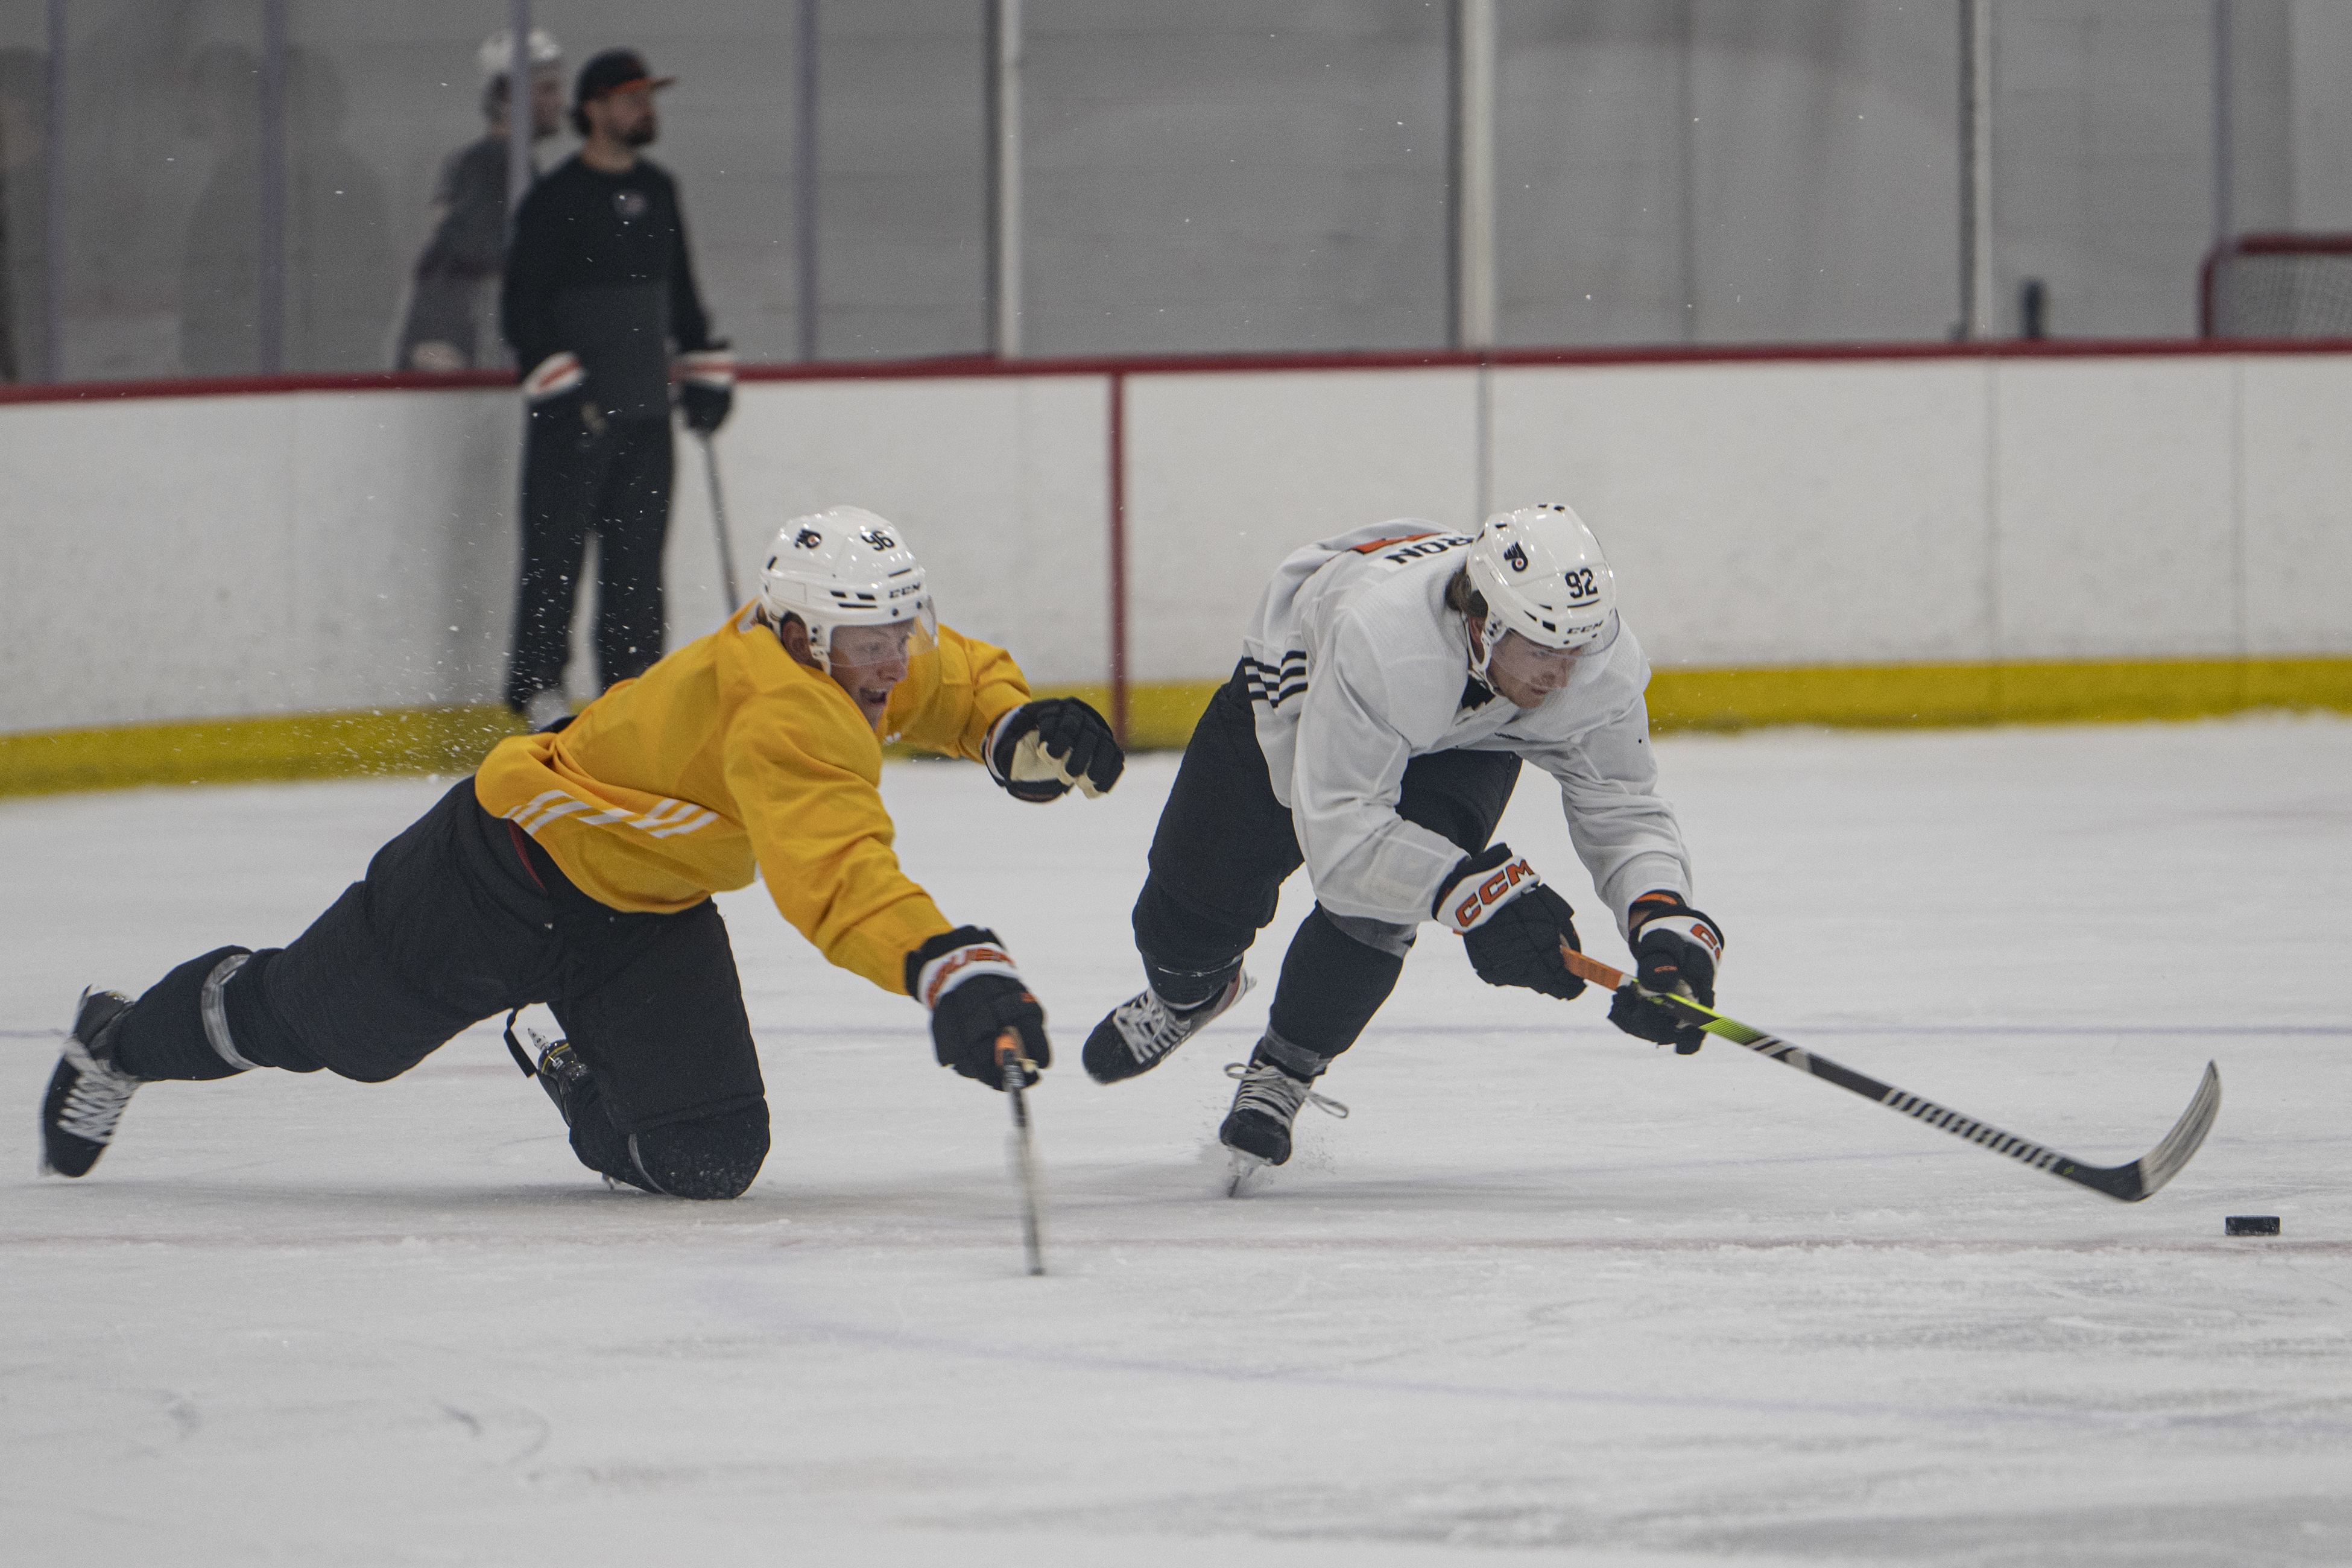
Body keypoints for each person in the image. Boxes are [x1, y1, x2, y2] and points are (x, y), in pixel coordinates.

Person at [39, 508, 1127, 1200]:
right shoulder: (785, 711)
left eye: (899, 634)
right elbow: (835, 875)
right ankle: (122, 1042)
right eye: (867, 645)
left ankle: (563, 1049)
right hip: (495, 877)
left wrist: (1008, 725)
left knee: (705, 1158)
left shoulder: (852, 651)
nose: (890, 665)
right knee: (307, 1027)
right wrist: (947, 963)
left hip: (642, 921)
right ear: (801, 634)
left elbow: (950, 678)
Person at [1082, 504, 1727, 1175]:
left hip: (1468, 733)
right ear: (1485, 623)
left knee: (1381, 906)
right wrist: (1475, 895)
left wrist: (1662, 915)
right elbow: (1340, 841)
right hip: (1300, 695)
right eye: (1542, 649)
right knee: (1190, 914)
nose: (1563, 675)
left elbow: (1621, 800)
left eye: (1578, 648)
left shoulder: (1594, 661)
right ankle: (1190, 993)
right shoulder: (1385, 638)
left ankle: (1287, 1065)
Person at [501, 47, 735, 730]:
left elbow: (683, 298)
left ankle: (631, 693)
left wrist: (705, 372)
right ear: (593, 109)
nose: (645, 110)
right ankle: (539, 689)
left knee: (637, 565)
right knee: (554, 555)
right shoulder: (556, 200)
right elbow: (523, 310)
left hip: (645, 413)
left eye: (649, 97)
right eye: (631, 98)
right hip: (574, 416)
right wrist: (563, 388)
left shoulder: (659, 189)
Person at [394, 28, 565, 373]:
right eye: (548, 89)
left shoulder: (495, 162)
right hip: (474, 349)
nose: (561, 101)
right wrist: (438, 338)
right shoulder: (495, 164)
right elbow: (463, 254)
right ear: (508, 94)